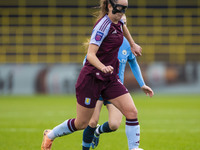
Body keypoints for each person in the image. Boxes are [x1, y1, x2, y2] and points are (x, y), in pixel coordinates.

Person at [41, 0, 153, 150]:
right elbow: (90, 55)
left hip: (110, 80)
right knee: (82, 123)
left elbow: (123, 27)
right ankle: (50, 135)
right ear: (109, 6)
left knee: (131, 112)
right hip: (92, 79)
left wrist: (132, 44)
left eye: (125, 9)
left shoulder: (119, 22)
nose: (122, 13)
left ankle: (134, 148)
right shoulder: (102, 26)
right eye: (119, 9)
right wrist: (103, 67)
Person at [82, 15, 154, 149]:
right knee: (91, 121)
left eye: (124, 23)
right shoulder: (103, 39)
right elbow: (88, 60)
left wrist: (142, 84)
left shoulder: (127, 44)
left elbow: (133, 63)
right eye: (120, 22)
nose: (121, 24)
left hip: (113, 88)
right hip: (98, 85)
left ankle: (98, 132)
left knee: (114, 124)